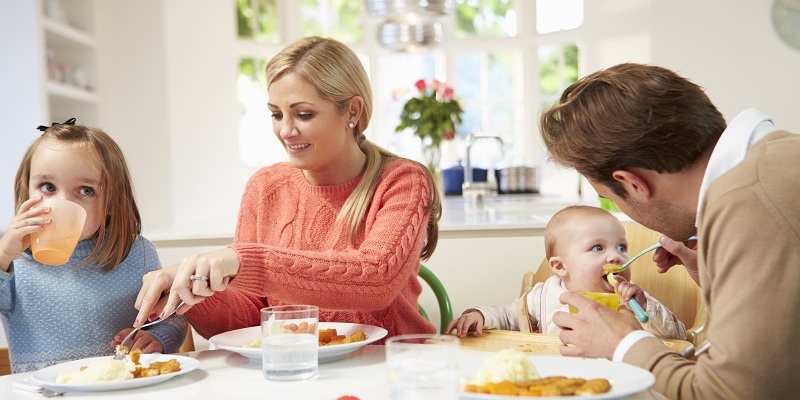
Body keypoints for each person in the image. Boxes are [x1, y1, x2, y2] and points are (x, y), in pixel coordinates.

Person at [133, 36, 442, 341]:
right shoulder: (265, 187)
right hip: (299, 371)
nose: (285, 130)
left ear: (353, 111)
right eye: (276, 114)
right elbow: (249, 322)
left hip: (390, 370)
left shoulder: (403, 180)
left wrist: (244, 261)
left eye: (304, 114)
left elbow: (377, 280)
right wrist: (193, 293)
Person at [540, 63, 800, 399]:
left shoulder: (747, 201)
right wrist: (711, 272)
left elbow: (730, 394)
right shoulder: (776, 158)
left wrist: (625, 343)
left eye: (609, 199)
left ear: (633, 184)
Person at [0, 119, 187, 372]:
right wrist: (3, 255)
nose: (62, 201)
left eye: (85, 191)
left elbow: (171, 319)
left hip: (120, 390)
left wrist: (156, 339)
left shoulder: (137, 255)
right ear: (26, 191)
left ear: (111, 201)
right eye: (47, 187)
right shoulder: (14, 262)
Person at [445, 205, 686, 341]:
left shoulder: (633, 301)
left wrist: (644, 307)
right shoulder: (542, 296)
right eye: (598, 247)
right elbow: (509, 317)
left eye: (621, 247)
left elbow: (677, 336)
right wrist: (480, 316)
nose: (616, 256)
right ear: (560, 267)